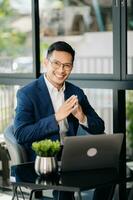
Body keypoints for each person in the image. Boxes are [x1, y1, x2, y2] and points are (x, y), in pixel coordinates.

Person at [14, 41, 105, 199]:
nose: (61, 70)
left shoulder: (76, 92)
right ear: (46, 63)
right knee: (66, 185)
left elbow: (99, 126)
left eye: (67, 65)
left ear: (71, 68)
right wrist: (56, 117)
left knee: (108, 170)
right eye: (56, 63)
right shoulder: (27, 93)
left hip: (71, 154)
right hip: (43, 158)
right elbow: (21, 134)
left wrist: (82, 117)